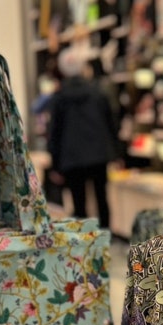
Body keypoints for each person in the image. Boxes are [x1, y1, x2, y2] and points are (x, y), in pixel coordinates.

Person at [47, 46, 120, 228]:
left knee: (78, 203)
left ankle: (85, 239)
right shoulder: (98, 93)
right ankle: (106, 236)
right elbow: (112, 123)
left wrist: (55, 163)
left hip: (71, 157)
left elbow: (54, 131)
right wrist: (117, 152)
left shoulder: (59, 98)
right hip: (99, 154)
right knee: (102, 198)